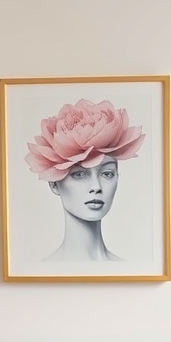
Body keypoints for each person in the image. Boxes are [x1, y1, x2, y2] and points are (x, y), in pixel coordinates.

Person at [25, 98, 145, 262]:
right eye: (79, 174)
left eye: (107, 173)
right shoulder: (39, 273)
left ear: (118, 177)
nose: (96, 187)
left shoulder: (132, 271)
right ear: (54, 183)